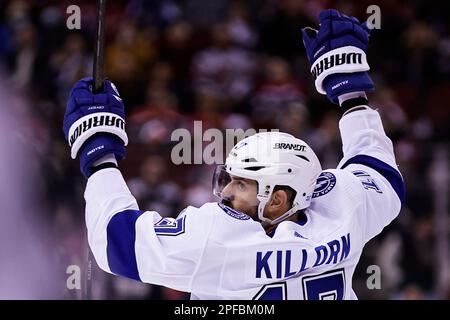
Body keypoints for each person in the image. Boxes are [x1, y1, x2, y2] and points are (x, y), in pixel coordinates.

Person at [63, 9, 405, 300]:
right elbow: (380, 174)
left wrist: (99, 152)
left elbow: (114, 240)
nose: (225, 191)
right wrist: (352, 94)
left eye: (241, 184)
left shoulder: (215, 239)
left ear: (277, 200)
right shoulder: (342, 206)